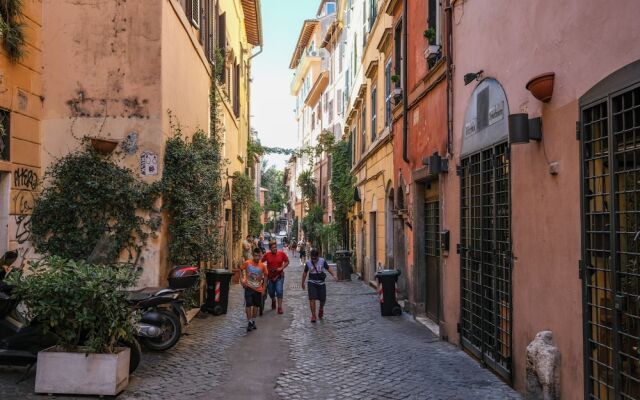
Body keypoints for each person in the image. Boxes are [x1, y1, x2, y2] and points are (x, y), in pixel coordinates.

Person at [301, 249, 338, 323]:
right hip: (311, 283)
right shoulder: (308, 263)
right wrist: (302, 282)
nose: (314, 260)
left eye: (315, 258)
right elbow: (305, 273)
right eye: (312, 258)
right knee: (312, 299)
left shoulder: (322, 261)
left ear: (318, 256)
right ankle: (313, 316)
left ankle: (321, 308)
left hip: (321, 283)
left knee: (323, 299)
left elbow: (328, 268)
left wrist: (334, 275)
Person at [240, 248, 268, 332]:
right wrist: (242, 280)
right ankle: (249, 322)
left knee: (256, 306)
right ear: (253, 255)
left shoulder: (262, 266)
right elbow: (241, 269)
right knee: (248, 305)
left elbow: (266, 276)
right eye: (255, 256)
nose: (257, 258)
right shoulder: (248, 263)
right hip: (248, 287)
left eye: (258, 256)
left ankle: (253, 321)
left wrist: (264, 289)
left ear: (260, 256)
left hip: (258, 289)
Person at [261, 240, 289, 314]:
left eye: (275, 247)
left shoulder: (281, 254)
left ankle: (279, 308)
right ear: (270, 248)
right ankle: (273, 300)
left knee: (279, 291)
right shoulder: (267, 255)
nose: (275, 249)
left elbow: (287, 261)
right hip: (270, 277)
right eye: (273, 247)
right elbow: (260, 261)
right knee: (271, 292)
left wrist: (281, 268)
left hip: (279, 276)